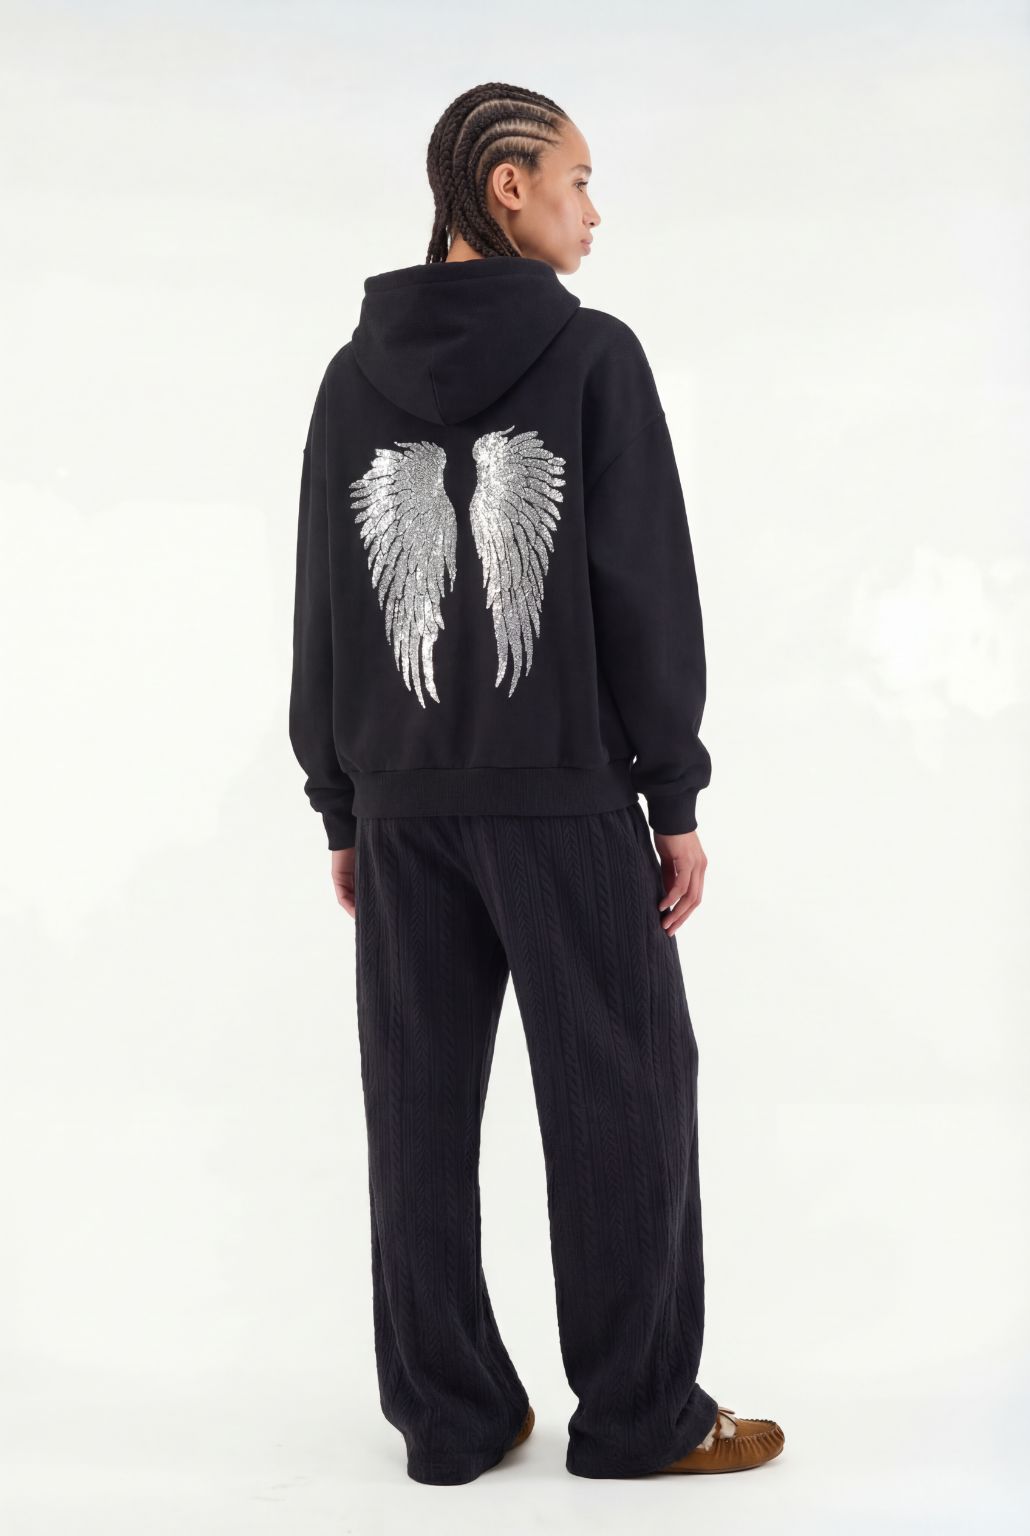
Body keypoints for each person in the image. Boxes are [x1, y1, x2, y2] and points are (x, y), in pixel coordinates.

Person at [289, 81, 785, 1486]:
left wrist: (342, 804)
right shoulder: (590, 356)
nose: (593, 210)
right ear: (507, 187)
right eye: (576, 180)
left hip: (401, 807)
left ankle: (449, 1419)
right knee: (623, 1091)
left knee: (417, 1109)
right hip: (562, 798)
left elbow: (326, 604)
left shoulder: (349, 377)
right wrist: (671, 796)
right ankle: (636, 1417)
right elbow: (643, 588)